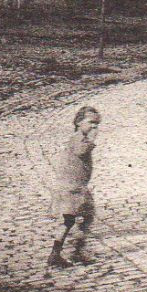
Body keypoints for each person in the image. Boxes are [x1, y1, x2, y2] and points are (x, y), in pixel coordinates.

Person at [48, 105, 101, 268]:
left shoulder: (80, 137)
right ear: (79, 122)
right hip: (73, 189)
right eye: (91, 122)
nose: (94, 126)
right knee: (79, 219)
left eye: (97, 124)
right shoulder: (78, 138)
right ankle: (71, 252)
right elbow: (81, 151)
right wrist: (91, 139)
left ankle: (61, 252)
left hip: (75, 187)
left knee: (73, 220)